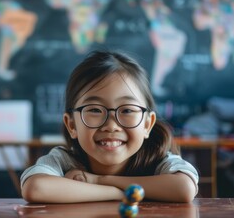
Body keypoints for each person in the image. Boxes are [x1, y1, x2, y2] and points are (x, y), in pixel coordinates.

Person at [20, 50, 198, 203]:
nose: (111, 126)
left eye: (127, 110)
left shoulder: (158, 160)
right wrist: (120, 193)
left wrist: (97, 180)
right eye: (95, 110)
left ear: (147, 124)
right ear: (72, 125)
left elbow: (184, 188)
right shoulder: (65, 161)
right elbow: (36, 188)